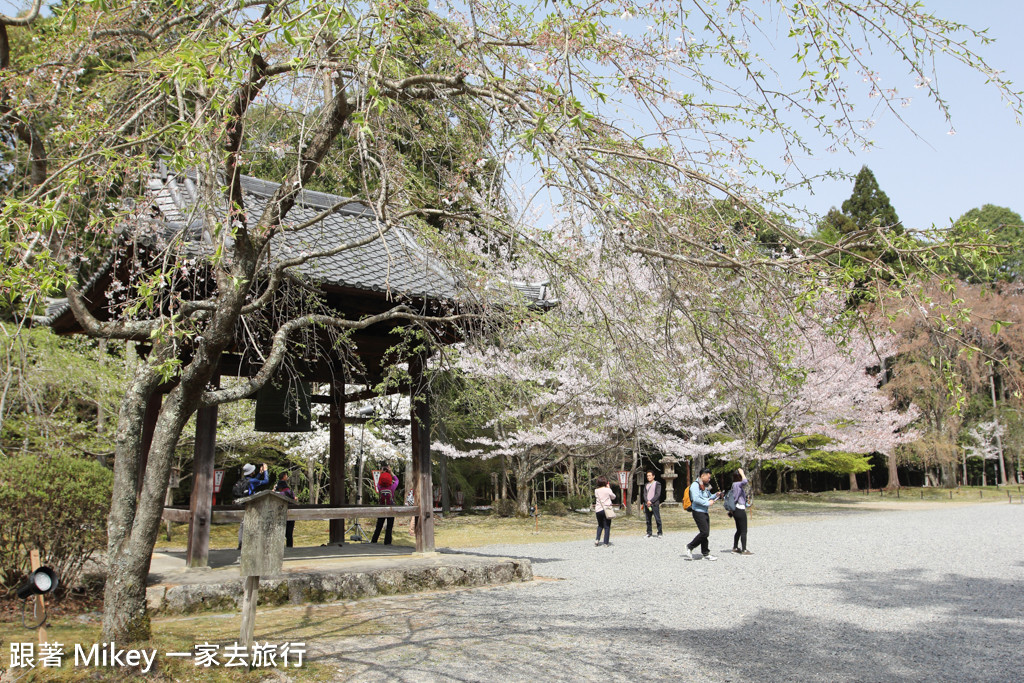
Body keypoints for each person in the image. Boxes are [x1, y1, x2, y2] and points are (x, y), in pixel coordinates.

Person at [685, 467, 721, 561]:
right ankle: (690, 546)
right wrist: (707, 503)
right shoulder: (695, 485)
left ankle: (705, 553)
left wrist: (716, 495)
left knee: (705, 533)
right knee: (704, 532)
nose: (709, 479)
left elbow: (708, 496)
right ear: (702, 476)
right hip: (697, 511)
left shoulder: (704, 486)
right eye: (708, 477)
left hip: (704, 511)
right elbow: (696, 499)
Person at [237, 462, 269, 549]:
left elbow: (253, 484)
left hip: (242, 505)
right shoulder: (252, 481)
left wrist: (259, 473)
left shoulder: (244, 480)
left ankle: (241, 543)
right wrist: (266, 471)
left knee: (243, 524)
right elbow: (266, 481)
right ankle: (251, 543)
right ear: (251, 472)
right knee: (252, 523)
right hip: (251, 505)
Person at [371, 467, 399, 545]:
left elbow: (378, 483)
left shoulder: (380, 488)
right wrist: (391, 472)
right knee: (389, 527)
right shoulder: (392, 488)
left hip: (382, 508)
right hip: (391, 508)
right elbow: (397, 480)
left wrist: (382, 473)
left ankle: (374, 541)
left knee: (379, 526)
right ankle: (387, 542)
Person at [730, 468, 753, 555]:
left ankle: (735, 547)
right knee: (743, 530)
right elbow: (745, 481)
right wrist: (742, 473)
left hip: (736, 509)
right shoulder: (738, 484)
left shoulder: (734, 484)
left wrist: (747, 504)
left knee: (739, 530)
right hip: (739, 510)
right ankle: (744, 549)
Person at [275, 472, 297, 548]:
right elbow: (295, 499)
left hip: (282, 514)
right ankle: (290, 546)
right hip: (291, 514)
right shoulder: (290, 491)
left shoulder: (280, 493)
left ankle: (279, 547)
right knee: (289, 533)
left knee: (281, 532)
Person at [593, 476, 616, 547]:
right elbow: (613, 497)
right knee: (607, 526)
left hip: (598, 510)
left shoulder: (596, 490)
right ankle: (605, 543)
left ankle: (597, 540)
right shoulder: (607, 490)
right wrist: (609, 488)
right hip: (606, 509)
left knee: (600, 525)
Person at [641, 470, 663, 538]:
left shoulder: (657, 484)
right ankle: (649, 532)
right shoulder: (646, 485)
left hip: (654, 504)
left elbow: (657, 494)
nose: (648, 477)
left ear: (653, 476)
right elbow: (644, 494)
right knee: (648, 519)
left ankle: (660, 532)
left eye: (650, 475)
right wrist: (647, 501)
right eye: (647, 476)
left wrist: (651, 501)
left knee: (657, 519)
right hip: (647, 504)